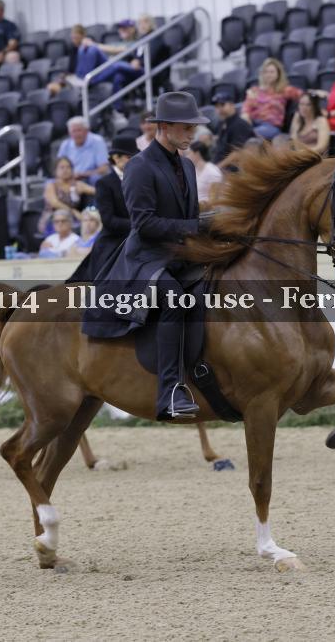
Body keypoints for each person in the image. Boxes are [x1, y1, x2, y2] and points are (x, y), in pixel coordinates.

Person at [82, 91, 211, 421]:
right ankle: (169, 393)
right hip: (146, 259)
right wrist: (195, 226)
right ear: (164, 127)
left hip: (180, 254)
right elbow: (145, 224)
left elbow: (191, 218)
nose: (192, 133)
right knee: (174, 299)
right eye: (187, 127)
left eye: (193, 127)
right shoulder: (139, 167)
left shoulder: (186, 165)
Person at [66, 135, 138, 283]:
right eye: (130, 157)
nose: (135, 161)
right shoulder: (105, 184)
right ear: (116, 158)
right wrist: (139, 224)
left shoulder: (141, 180)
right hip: (115, 241)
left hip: (140, 236)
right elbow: (109, 220)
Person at [241, 58, 302, 139]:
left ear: (278, 74)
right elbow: (245, 111)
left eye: (272, 72)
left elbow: (303, 96)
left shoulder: (284, 90)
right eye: (266, 72)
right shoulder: (254, 90)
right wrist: (246, 124)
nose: (268, 74)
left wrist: (316, 92)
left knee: (250, 135)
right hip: (253, 123)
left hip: (271, 126)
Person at [39, 156, 96, 234]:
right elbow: (55, 203)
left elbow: (97, 191)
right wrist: (73, 212)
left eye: (68, 167)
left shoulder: (77, 185)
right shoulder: (51, 185)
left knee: (88, 223)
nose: (65, 170)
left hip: (73, 220)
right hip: (52, 220)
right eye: (62, 167)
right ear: (55, 171)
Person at [57, 116, 109, 185]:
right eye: (74, 131)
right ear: (69, 133)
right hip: (70, 177)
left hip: (89, 177)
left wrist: (82, 174)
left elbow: (104, 169)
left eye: (79, 130)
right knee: (50, 182)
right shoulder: (65, 144)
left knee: (96, 178)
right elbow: (59, 167)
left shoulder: (97, 141)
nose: (76, 134)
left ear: (87, 131)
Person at [210, 89, 256, 165]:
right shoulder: (222, 122)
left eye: (222, 105)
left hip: (232, 168)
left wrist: (217, 168)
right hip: (218, 165)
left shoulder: (240, 125)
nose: (219, 109)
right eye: (216, 106)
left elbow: (237, 153)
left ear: (232, 104)